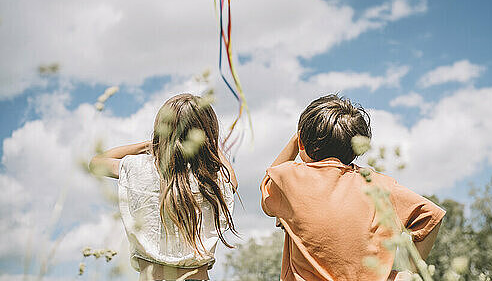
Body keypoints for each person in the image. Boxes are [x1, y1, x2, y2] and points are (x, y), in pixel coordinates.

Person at [260, 94, 445, 281]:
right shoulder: (377, 185)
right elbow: (432, 217)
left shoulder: (290, 177)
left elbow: (267, 190)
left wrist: (296, 139)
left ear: (301, 141)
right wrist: (409, 273)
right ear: (357, 148)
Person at [90, 93, 238, 281]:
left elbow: (96, 162)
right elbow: (233, 181)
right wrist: (210, 145)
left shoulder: (141, 168)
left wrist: (151, 145)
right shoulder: (211, 179)